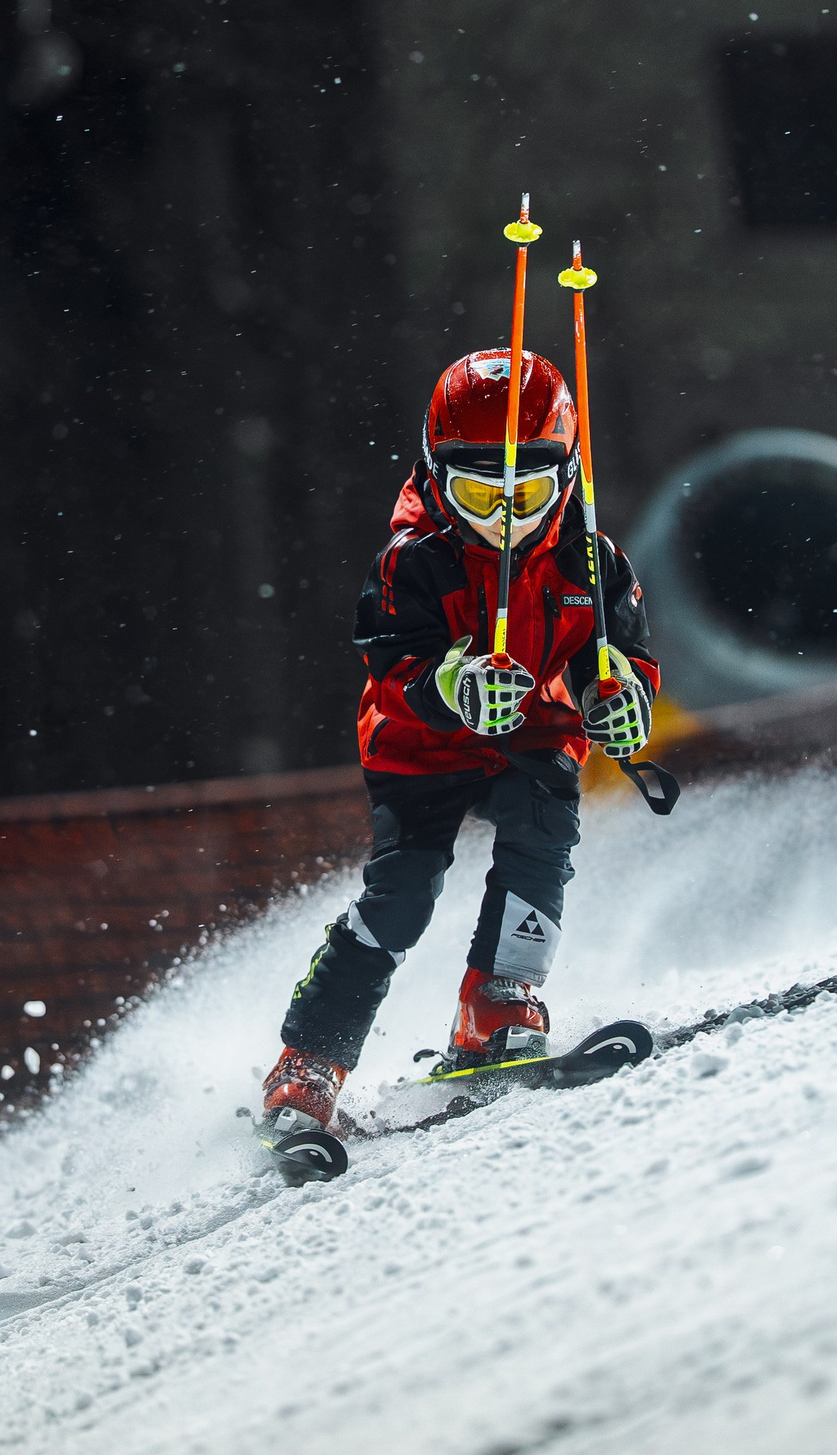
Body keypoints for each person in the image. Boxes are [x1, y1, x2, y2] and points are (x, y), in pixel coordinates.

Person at [258, 347, 661, 1137]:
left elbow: (618, 651)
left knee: (542, 837)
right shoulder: (413, 560)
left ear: (565, 475)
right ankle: (309, 1060)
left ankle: (497, 999)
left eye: (527, 493)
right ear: (437, 474)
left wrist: (618, 695)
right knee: (403, 894)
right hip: (421, 748)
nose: (505, 516)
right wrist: (451, 686)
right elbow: (391, 665)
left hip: (534, 729)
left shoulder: (590, 558)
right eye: (480, 493)